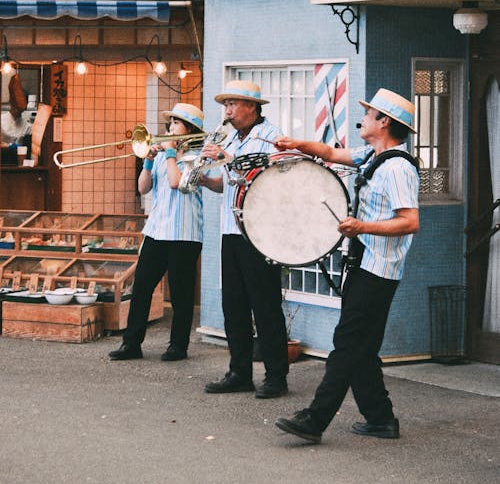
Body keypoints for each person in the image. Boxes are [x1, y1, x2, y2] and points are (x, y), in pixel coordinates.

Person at [274, 88, 420, 443]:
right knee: (362, 347)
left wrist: (361, 227)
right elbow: (330, 152)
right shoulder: (373, 155)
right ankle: (381, 419)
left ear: (384, 122)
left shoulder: (398, 168)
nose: (363, 119)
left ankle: (315, 419)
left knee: (347, 343)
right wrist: (296, 144)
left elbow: (410, 221)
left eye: (369, 114)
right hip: (364, 264)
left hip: (379, 270)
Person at [200, 79, 289, 398]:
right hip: (230, 228)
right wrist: (205, 180)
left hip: (260, 231)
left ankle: (276, 376)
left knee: (265, 305)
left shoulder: (272, 137)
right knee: (233, 304)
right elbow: (229, 184)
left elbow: (267, 177)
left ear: (252, 107)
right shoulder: (232, 139)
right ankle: (239, 371)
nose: (227, 111)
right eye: (225, 105)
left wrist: (224, 157)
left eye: (233, 104)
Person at [109, 103, 205, 362]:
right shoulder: (163, 154)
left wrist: (170, 153)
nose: (170, 127)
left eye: (176, 123)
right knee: (141, 287)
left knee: (181, 293)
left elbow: (176, 182)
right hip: (157, 229)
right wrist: (148, 162)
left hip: (184, 232)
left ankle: (178, 346)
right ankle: (131, 343)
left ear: (190, 129)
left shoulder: (199, 155)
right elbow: (143, 189)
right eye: (170, 122)